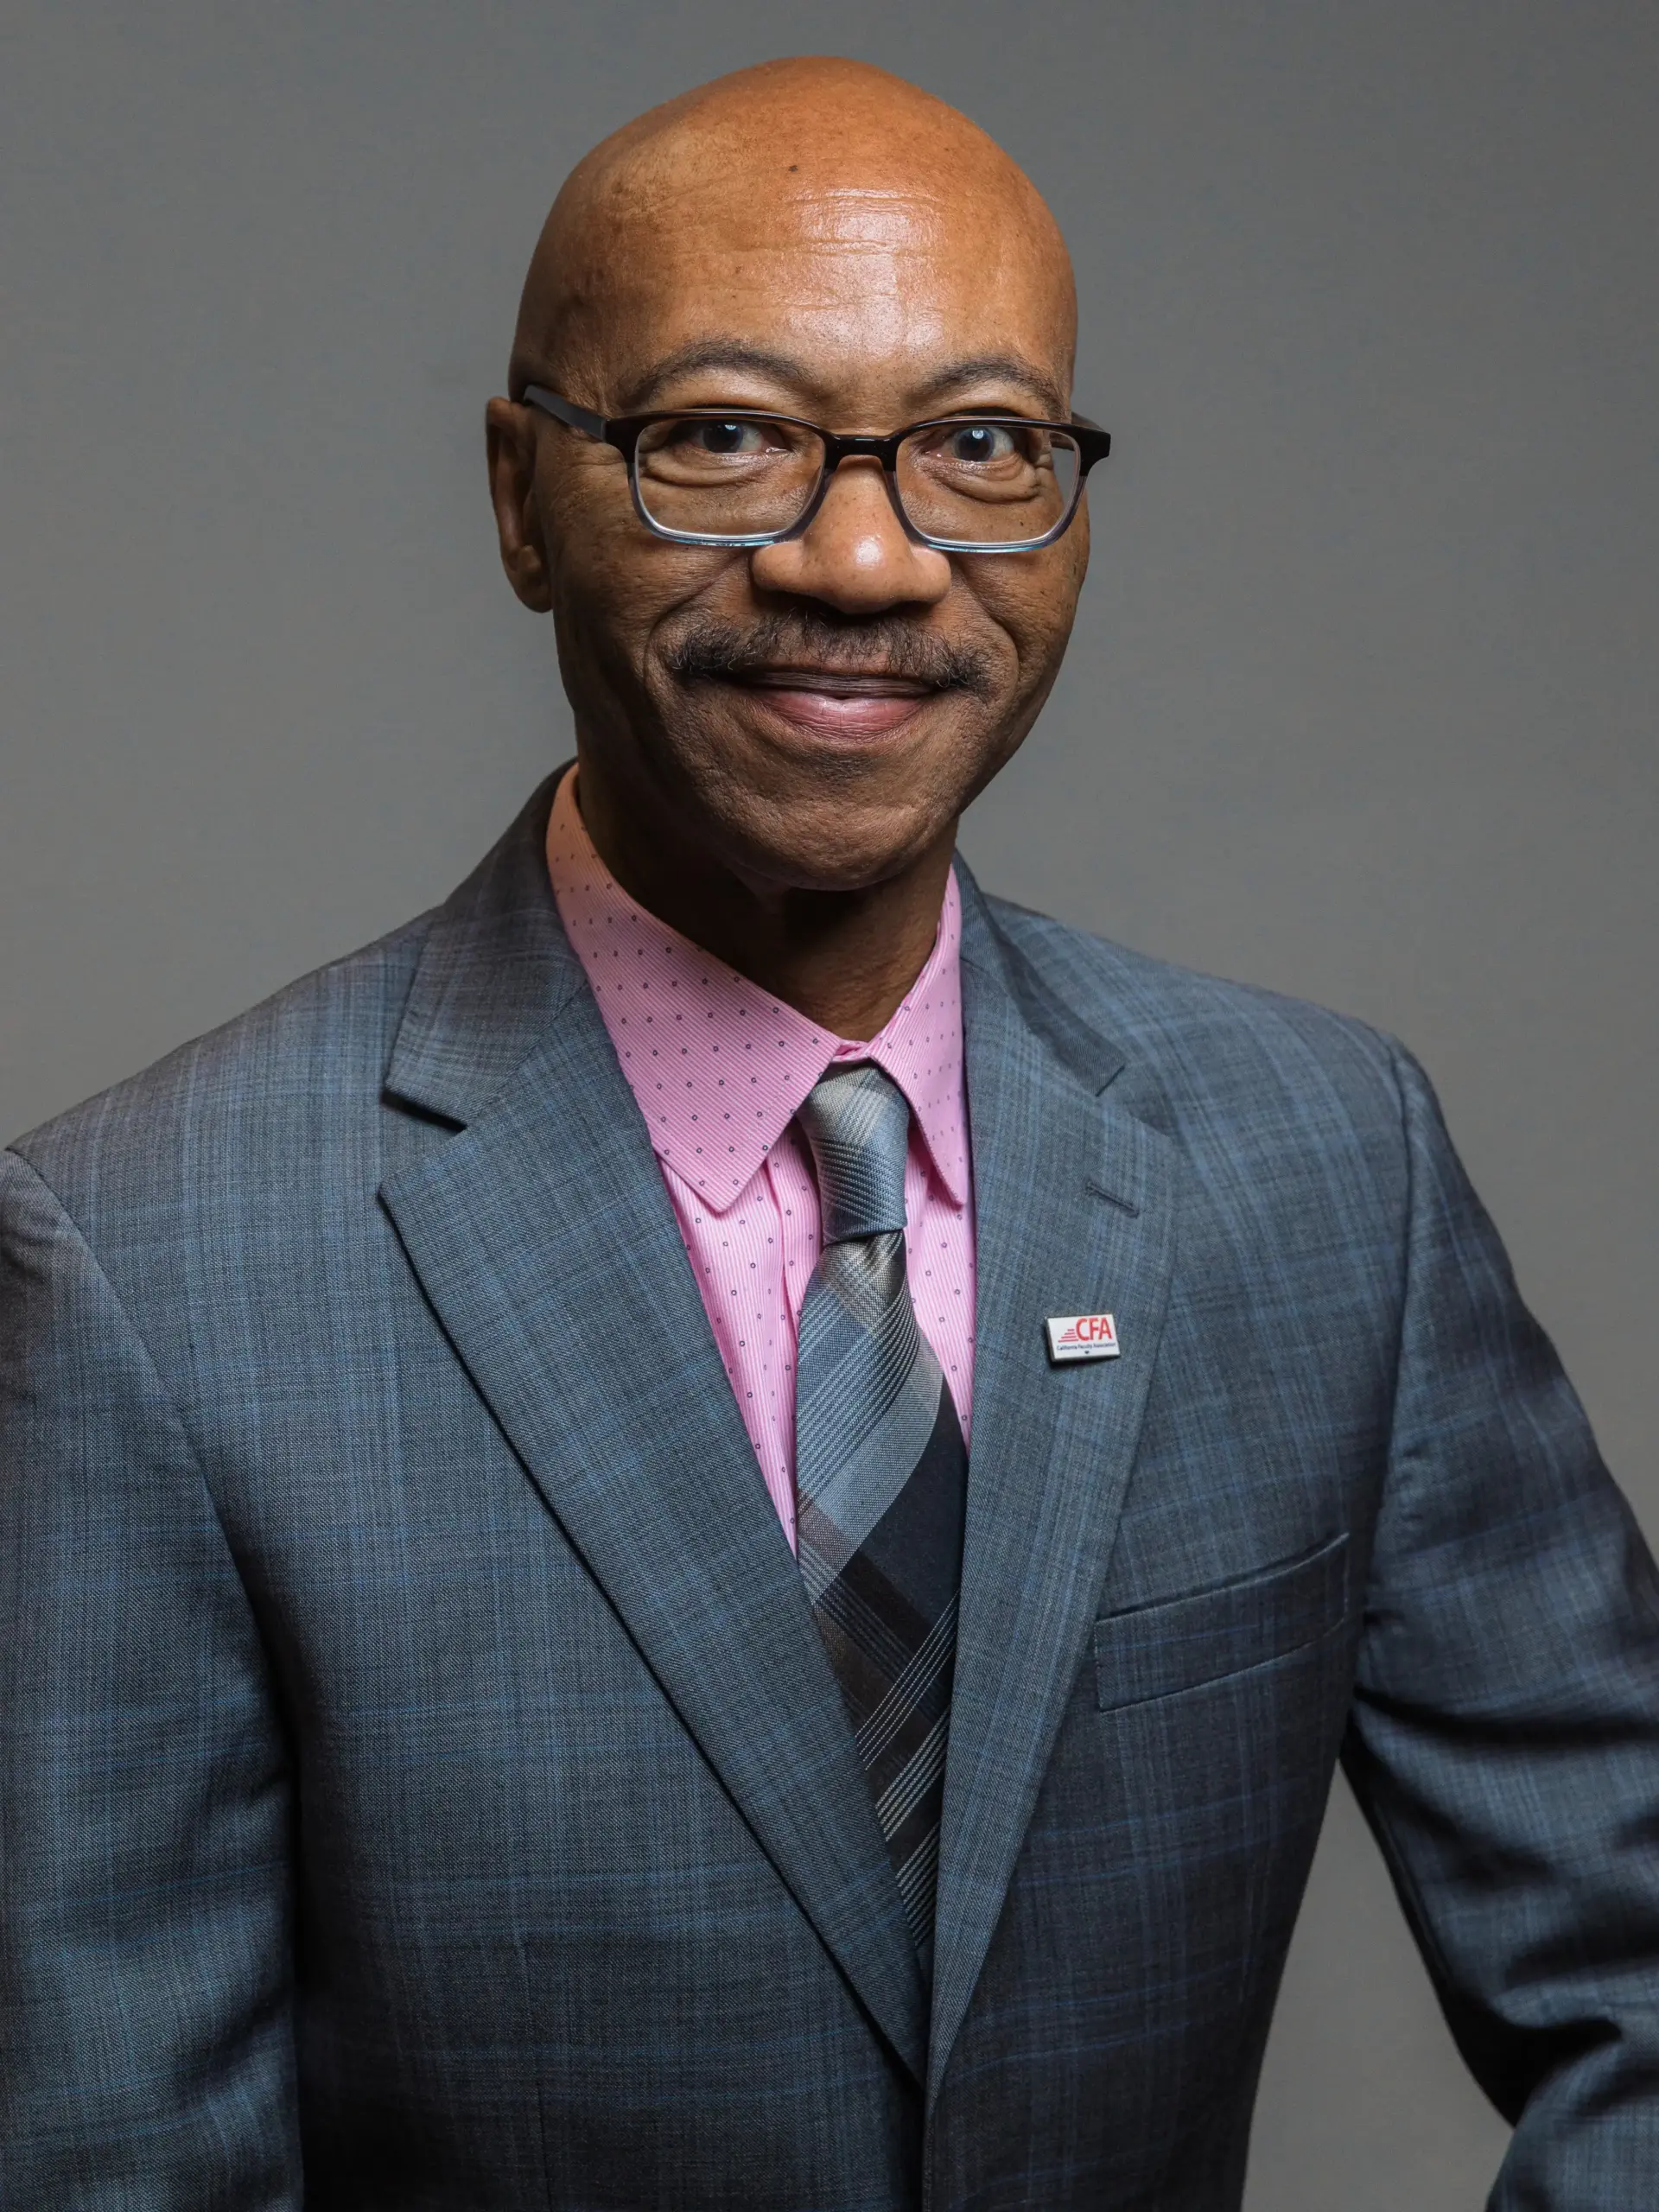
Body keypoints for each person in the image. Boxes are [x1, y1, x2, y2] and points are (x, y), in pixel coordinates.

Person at [3, 53, 1656, 2211]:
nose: (866, 559)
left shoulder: (1329, 1162)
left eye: (982, 447)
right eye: (722, 438)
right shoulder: (148, 1257)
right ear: (521, 494)